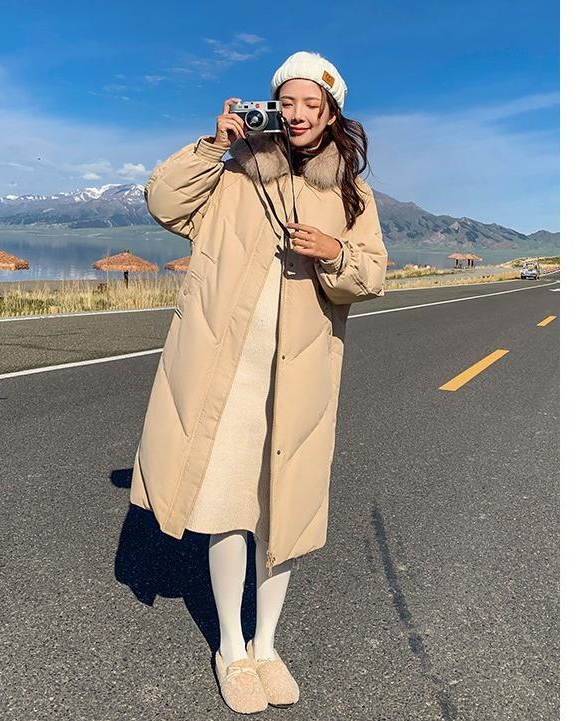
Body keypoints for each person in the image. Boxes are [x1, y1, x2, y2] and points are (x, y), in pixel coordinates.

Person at [129, 50, 388, 713]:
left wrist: (334, 253)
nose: (298, 114)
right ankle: (231, 648)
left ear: (332, 113)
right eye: (287, 101)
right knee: (226, 506)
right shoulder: (237, 170)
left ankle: (267, 645)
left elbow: (372, 275)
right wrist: (210, 146)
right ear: (270, 105)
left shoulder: (351, 194)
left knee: (283, 510)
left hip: (300, 372)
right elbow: (164, 202)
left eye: (312, 103)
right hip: (228, 369)